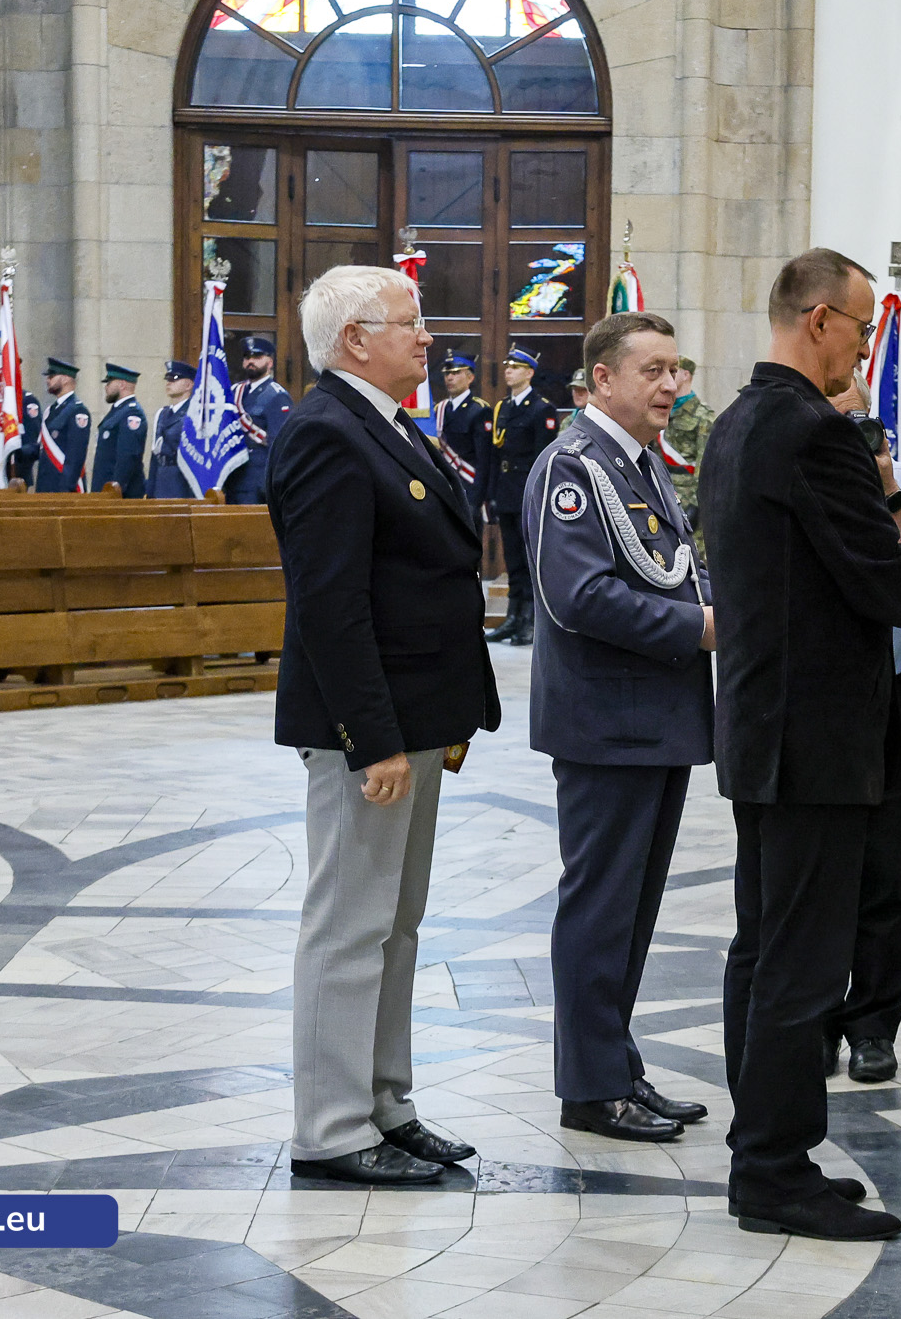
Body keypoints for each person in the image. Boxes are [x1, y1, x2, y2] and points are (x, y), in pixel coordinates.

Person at [700, 247, 901, 1242]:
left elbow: (837, 566)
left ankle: (771, 1149)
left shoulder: (734, 424)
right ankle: (768, 1174)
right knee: (798, 965)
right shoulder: (813, 432)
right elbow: (876, 584)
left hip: (765, 728)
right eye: (857, 325)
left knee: (765, 951)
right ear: (816, 322)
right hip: (815, 738)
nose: (864, 345)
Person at [270, 265, 498, 1186]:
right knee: (347, 923)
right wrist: (374, 739)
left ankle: (384, 1101)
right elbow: (330, 604)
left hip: (413, 718)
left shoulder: (386, 423)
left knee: (395, 926)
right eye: (410, 321)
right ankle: (330, 1127)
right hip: (369, 730)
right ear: (356, 338)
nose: (428, 335)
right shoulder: (325, 431)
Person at [523, 310, 715, 1145]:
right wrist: (702, 628)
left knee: (631, 911)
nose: (673, 385)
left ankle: (617, 1064)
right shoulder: (574, 468)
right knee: (601, 907)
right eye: (654, 371)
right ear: (602, 379)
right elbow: (579, 596)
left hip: (652, 719)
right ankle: (591, 1087)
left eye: (677, 369)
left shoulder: (632, 463)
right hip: (609, 721)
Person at [819, 375, 901, 1087]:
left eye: (859, 418)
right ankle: (814, 1020)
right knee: (818, 865)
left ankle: (872, 1027)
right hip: (822, 694)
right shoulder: (796, 476)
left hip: (893, 688)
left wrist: (886, 484)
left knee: (888, 866)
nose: (851, 431)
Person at [484, 346, 560, 647]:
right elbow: (494, 455)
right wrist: (490, 494)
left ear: (529, 373)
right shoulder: (502, 408)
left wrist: (538, 494)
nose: (508, 371)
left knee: (529, 559)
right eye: (507, 367)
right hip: (505, 490)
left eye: (515, 368)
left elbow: (544, 457)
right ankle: (512, 616)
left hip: (527, 489)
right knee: (512, 558)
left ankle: (529, 620)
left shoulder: (541, 409)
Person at [228, 335, 291, 505]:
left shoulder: (276, 396)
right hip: (232, 476)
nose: (251, 361)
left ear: (270, 363)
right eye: (247, 357)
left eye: (257, 357)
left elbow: (278, 445)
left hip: (257, 481)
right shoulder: (234, 392)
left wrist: (269, 485)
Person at [435, 351, 491, 511]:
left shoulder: (479, 410)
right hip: (445, 486)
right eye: (447, 373)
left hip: (469, 486)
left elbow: (484, 460)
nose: (449, 378)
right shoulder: (440, 409)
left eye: (456, 372)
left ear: (470, 377)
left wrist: (477, 500)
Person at [664, 355, 713, 527]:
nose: (668, 377)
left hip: (687, 500)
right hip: (663, 496)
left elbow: (705, 467)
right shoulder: (662, 411)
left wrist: (696, 504)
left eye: (673, 372)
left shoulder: (703, 417)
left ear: (686, 375)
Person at [34, 358, 92, 493]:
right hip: (46, 485)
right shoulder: (52, 410)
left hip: (62, 487)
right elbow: (42, 448)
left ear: (66, 379)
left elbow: (76, 455)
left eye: (52, 376)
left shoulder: (78, 411)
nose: (48, 380)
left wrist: (65, 489)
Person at [91, 363, 148, 497]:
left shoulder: (132, 414)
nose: (106, 387)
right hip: (106, 488)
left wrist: (116, 489)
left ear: (122, 384)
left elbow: (127, 456)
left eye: (110, 382)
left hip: (120, 492)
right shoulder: (119, 411)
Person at [148, 360, 196, 499]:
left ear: (188, 385)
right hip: (162, 479)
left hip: (182, 481)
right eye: (167, 379)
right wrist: (151, 489)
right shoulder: (162, 414)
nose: (169, 383)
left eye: (174, 379)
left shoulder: (195, 414)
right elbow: (155, 455)